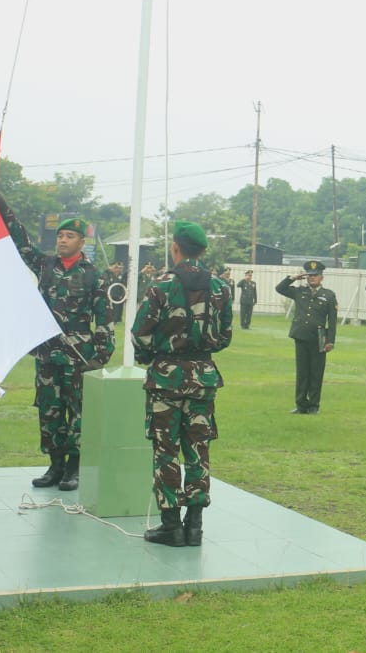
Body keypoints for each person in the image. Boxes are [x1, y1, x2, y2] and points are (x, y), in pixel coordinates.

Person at [0, 192, 115, 491]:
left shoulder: (94, 275)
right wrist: (4, 209)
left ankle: (74, 468)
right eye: (60, 236)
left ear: (82, 242)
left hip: (79, 355)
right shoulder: (45, 266)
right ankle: (54, 466)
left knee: (78, 413)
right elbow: (22, 244)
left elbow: (105, 319)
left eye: (69, 236)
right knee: (49, 410)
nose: (62, 240)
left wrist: (101, 356)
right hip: (48, 353)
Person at [132, 222, 233, 547]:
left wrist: (151, 357)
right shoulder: (221, 287)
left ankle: (171, 525)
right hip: (203, 378)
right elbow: (224, 337)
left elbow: (141, 333)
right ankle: (195, 526)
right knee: (198, 450)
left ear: (176, 247)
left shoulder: (160, 285)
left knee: (166, 450)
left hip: (166, 379)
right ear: (202, 250)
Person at [276, 260, 338, 414]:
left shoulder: (329, 295)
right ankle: (301, 404)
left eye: (315, 276)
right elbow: (280, 288)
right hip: (301, 336)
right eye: (309, 276)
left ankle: (313, 405)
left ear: (321, 277)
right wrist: (294, 277)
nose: (312, 278)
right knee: (302, 373)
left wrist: (330, 341)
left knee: (316, 373)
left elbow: (332, 320)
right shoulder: (299, 291)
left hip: (319, 338)